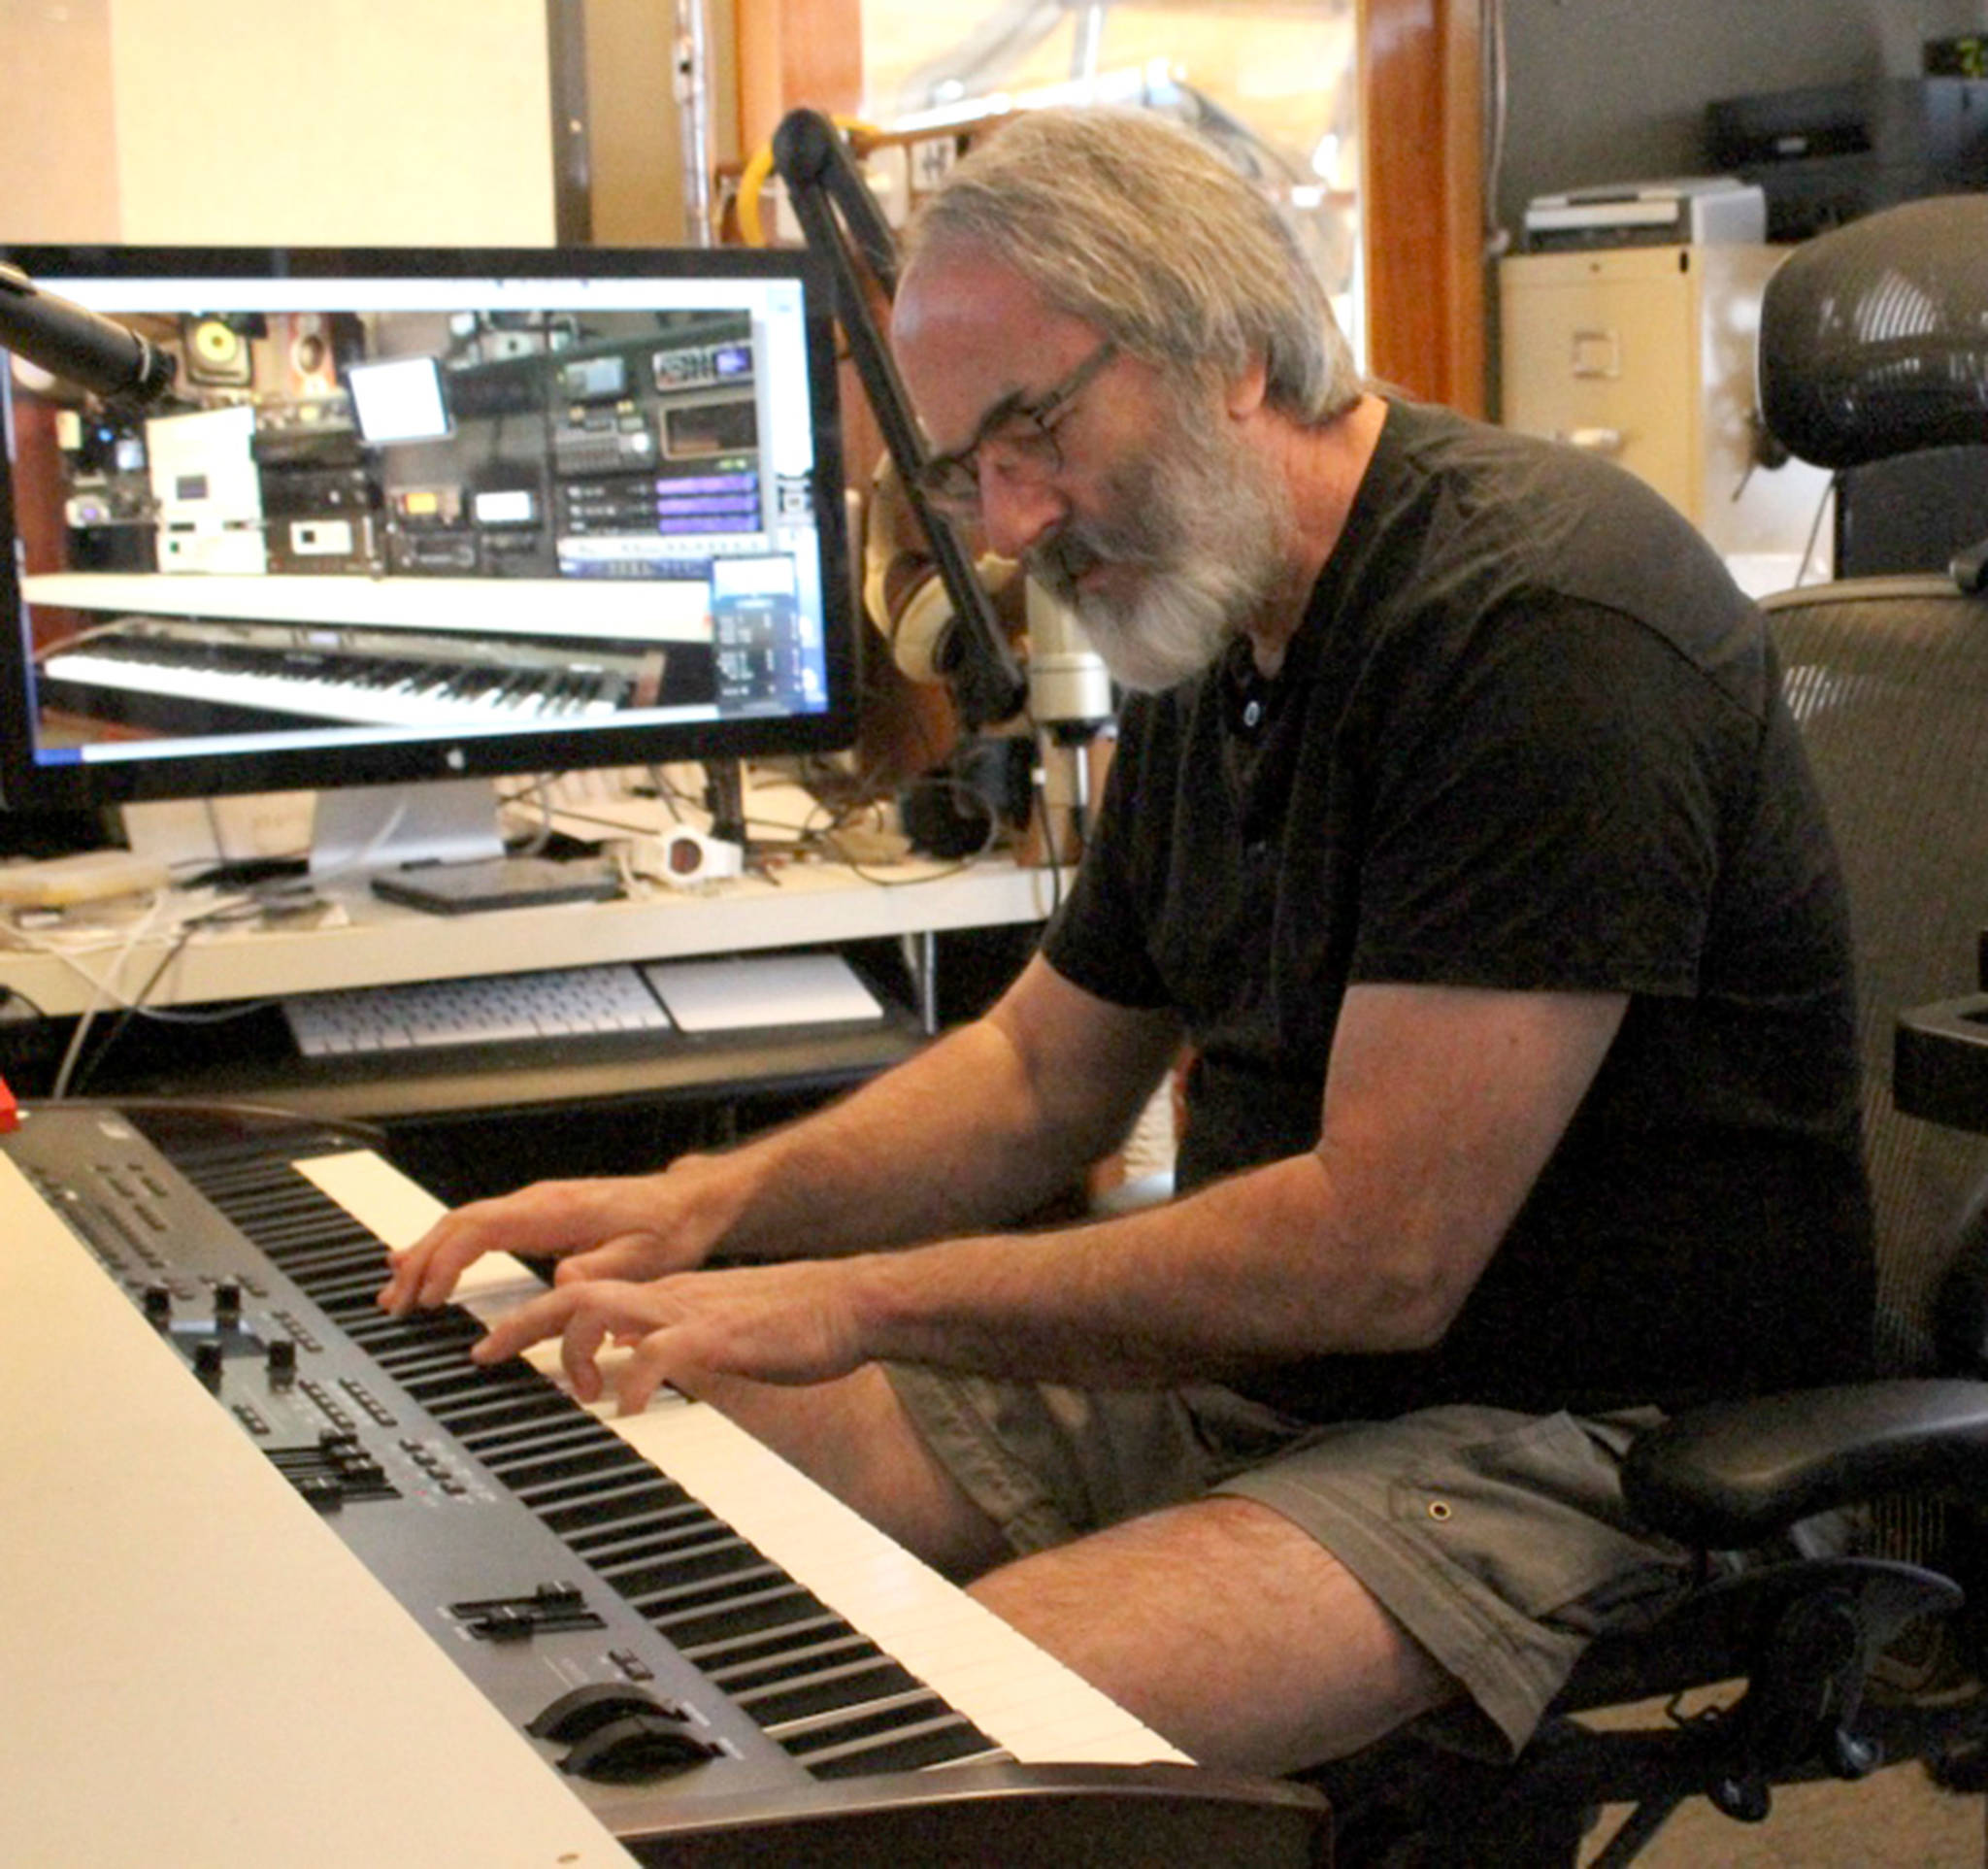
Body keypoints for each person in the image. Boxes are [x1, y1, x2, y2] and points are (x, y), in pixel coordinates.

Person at [380, 106, 1874, 1778]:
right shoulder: (1224, 616)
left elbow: (1382, 1249)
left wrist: (863, 1296)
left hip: (1586, 1444)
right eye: (967, 472)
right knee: (602, 1442)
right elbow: (1037, 1075)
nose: (1008, 524)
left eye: (1031, 433)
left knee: (913, 1745)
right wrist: (700, 1210)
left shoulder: (1540, 627)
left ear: (1231, 348)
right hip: (1281, 1381)